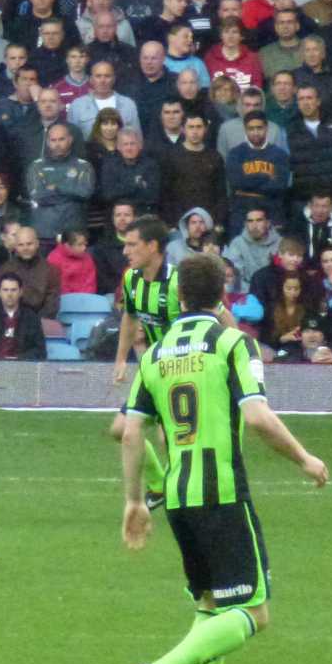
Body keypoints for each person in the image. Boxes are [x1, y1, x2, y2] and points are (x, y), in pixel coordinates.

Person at [122, 252, 329, 664]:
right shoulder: (233, 342)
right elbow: (256, 417)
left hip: (177, 496)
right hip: (221, 492)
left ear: (177, 296)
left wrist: (133, 501)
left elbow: (132, 433)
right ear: (223, 296)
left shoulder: (153, 354)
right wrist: (303, 458)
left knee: (211, 604)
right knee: (254, 613)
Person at [110, 214, 236, 512]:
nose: (126, 251)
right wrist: (120, 358)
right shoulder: (131, 279)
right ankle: (159, 484)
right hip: (153, 370)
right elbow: (129, 316)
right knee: (121, 430)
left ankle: (189, 494)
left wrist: (236, 348)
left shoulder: (181, 279)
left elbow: (221, 313)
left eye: (132, 245)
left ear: (153, 246)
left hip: (183, 369)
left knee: (170, 438)